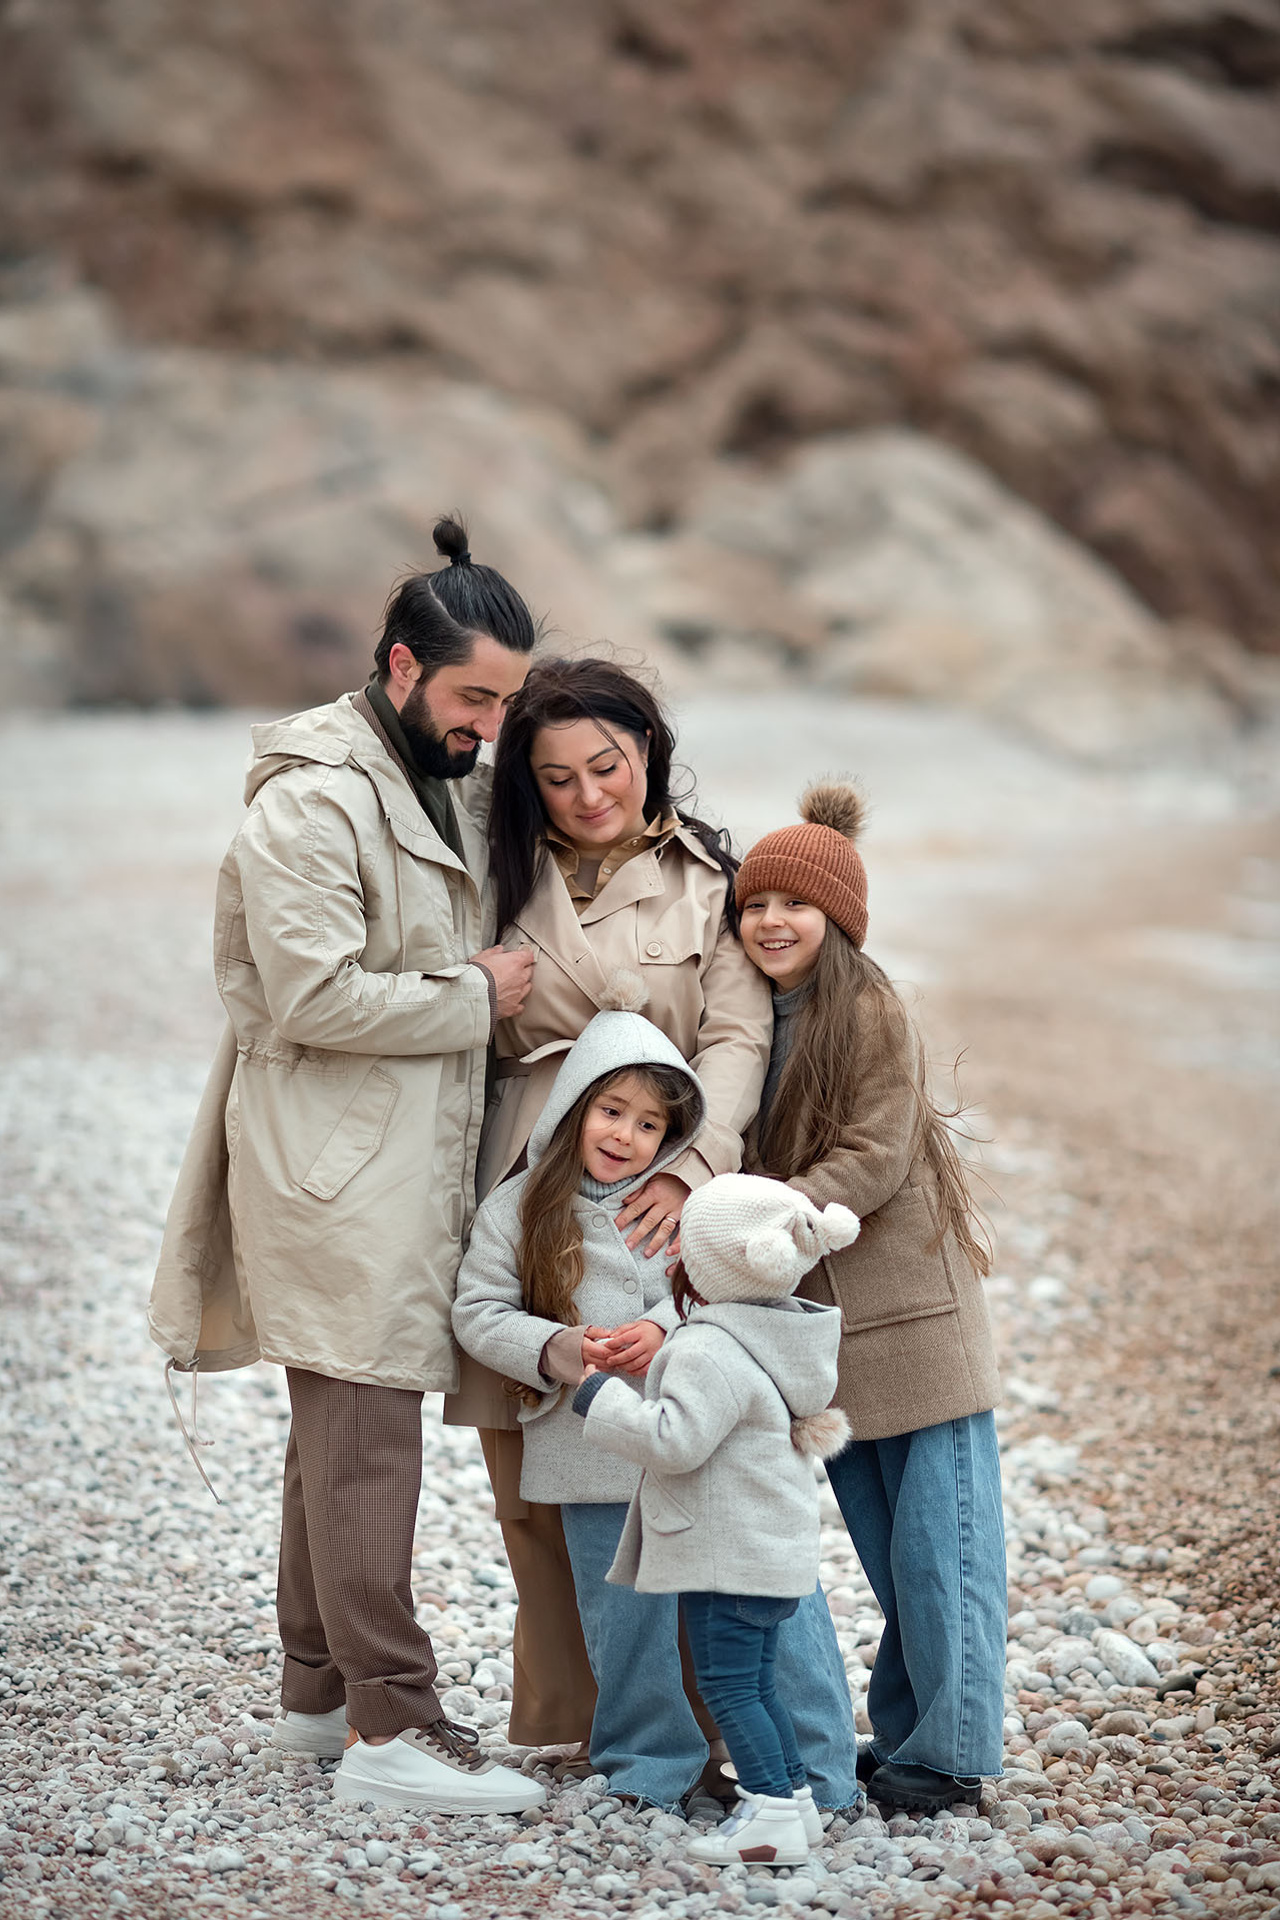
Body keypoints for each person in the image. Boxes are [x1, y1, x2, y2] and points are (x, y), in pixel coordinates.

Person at [148, 518, 546, 1816]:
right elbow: (312, 996)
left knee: (331, 1438)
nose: (490, 725)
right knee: (368, 1437)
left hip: (385, 1152)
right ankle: (394, 1730)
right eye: (475, 697)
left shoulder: (437, 767)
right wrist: (477, 995)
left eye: (506, 701)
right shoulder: (313, 803)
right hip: (334, 1162)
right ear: (400, 666)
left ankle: (316, 1700)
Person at [443, 657, 860, 1812]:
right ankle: (611, 1733)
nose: (588, 796)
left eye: (608, 767)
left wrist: (690, 1166)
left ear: (647, 755)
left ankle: (759, 1739)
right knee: (555, 1482)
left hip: (674, 1162)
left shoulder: (703, 876)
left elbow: (736, 1036)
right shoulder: (496, 868)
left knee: (715, 1462)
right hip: (532, 1166)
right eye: (557, 777)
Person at [735, 781, 1007, 1816]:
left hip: (914, 1321)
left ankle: (951, 1755)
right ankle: (906, 1737)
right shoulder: (757, 1016)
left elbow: (877, 1152)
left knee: (945, 1548)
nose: (771, 921)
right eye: (756, 905)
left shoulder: (866, 1008)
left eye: (794, 906)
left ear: (838, 917)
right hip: (830, 1329)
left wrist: (768, 1215)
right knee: (889, 1551)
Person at [454, 984, 714, 1808]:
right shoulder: (520, 1206)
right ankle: (647, 1765)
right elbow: (477, 1312)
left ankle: (731, 1752)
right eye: (611, 1111)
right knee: (621, 1617)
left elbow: (720, 1291)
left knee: (706, 1608)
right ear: (574, 1107)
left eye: (649, 1126)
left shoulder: (680, 1208)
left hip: (685, 1442)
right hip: (586, 1448)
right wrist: (558, 1349)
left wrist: (664, 1327)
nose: (625, 1136)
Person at [572, 1174, 858, 1866]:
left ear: (707, 1265)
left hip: (728, 1557)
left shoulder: (709, 1349)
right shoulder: (776, 1335)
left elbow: (674, 1440)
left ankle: (772, 1820)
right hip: (768, 1552)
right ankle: (792, 1803)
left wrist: (600, 1398)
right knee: (756, 1685)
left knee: (730, 1688)